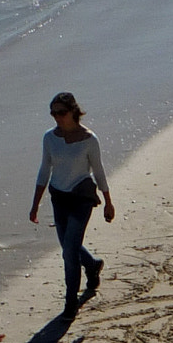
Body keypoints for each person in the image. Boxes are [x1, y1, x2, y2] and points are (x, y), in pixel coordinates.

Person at [29, 91, 115, 312]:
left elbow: (98, 171)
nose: (57, 117)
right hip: (59, 197)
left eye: (61, 112)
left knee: (69, 251)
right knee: (69, 246)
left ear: (74, 111)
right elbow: (44, 170)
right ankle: (93, 265)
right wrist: (35, 204)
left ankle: (70, 302)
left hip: (81, 198)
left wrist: (108, 201)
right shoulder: (49, 138)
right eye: (53, 113)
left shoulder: (89, 140)